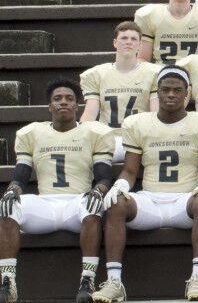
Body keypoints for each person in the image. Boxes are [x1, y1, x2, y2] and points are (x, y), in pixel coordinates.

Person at [93, 66, 198, 303]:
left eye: (177, 90)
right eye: (165, 90)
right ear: (158, 93)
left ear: (187, 94)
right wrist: (120, 184)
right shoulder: (138, 123)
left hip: (185, 199)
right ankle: (114, 282)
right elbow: (131, 170)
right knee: (115, 203)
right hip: (150, 199)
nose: (171, 94)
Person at [1, 80, 114, 303]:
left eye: (69, 98)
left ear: (77, 107)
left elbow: (103, 177)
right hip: (46, 205)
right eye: (57, 98)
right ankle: (7, 281)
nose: (63, 102)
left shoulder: (94, 133)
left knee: (93, 205)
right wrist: (12, 189)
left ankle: (88, 279)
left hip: (77, 203)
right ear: (49, 106)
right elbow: (21, 174)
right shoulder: (32, 133)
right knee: (7, 205)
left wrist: (99, 190)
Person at [80, 22, 160, 141]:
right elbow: (90, 115)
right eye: (124, 38)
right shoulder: (97, 74)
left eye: (133, 39)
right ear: (115, 43)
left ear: (139, 45)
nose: (128, 42)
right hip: (108, 138)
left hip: (140, 137)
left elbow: (155, 115)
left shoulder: (153, 73)